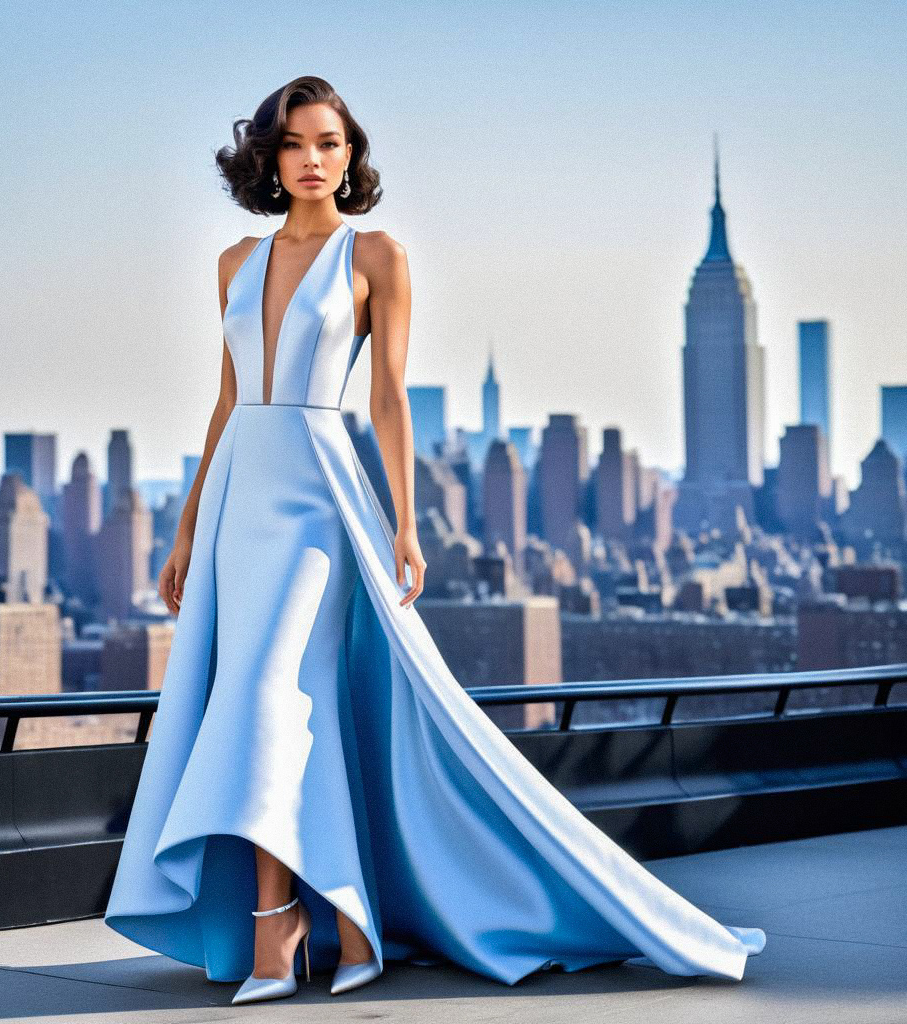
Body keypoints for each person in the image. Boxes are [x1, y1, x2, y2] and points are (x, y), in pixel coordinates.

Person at [103, 75, 765, 1006]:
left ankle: (277, 930)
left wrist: (409, 521)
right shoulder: (233, 262)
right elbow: (225, 401)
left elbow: (387, 398)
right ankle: (347, 919)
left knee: (265, 703)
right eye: (295, 144)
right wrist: (184, 528)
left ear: (350, 153)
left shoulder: (375, 254)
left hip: (320, 500)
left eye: (329, 143)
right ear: (269, 156)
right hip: (237, 505)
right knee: (288, 710)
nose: (313, 160)